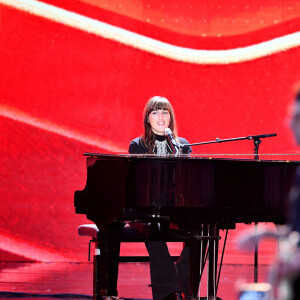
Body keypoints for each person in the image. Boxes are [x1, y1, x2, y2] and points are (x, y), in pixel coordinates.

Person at [128, 96, 192, 300]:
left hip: (174, 209)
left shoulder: (182, 145)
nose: (161, 116)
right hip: (144, 210)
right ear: (148, 119)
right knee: (152, 228)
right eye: (155, 112)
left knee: (201, 232)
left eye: (165, 112)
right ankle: (170, 294)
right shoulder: (137, 145)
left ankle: (180, 284)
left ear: (171, 117)